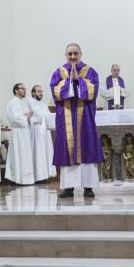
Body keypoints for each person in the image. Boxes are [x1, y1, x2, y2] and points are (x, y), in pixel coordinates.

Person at [50, 43, 103, 199]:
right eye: (70, 54)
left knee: (87, 147)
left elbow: (92, 92)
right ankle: (68, 187)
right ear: (65, 55)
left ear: (81, 54)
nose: (73, 57)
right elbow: (56, 93)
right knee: (67, 149)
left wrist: (78, 81)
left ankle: (88, 187)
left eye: (75, 53)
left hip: (84, 118)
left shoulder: (90, 71)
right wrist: (69, 82)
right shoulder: (58, 72)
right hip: (65, 116)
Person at [6, 82, 39, 185]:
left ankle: (27, 178)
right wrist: (26, 117)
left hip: (25, 132)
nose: (25, 90)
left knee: (26, 156)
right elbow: (14, 119)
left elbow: (29, 116)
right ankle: (18, 178)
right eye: (22, 88)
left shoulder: (23, 103)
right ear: (16, 90)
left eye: (25, 88)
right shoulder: (12, 103)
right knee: (18, 155)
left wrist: (29, 117)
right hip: (18, 133)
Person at [29, 85, 57, 182]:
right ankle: (37, 176)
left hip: (45, 131)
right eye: (39, 91)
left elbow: (48, 116)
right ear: (33, 93)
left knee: (45, 152)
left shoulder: (44, 105)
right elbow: (29, 117)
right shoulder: (29, 103)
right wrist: (40, 119)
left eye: (42, 91)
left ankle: (44, 175)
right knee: (38, 152)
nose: (41, 93)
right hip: (35, 131)